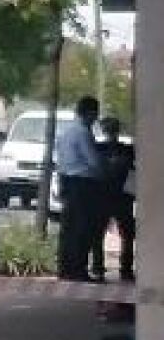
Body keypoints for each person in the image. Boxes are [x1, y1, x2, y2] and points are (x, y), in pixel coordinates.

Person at [55, 96, 107, 282]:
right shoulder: (82, 133)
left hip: (67, 180)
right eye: (95, 113)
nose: (96, 118)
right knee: (82, 228)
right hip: (83, 184)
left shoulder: (66, 131)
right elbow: (93, 161)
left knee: (68, 227)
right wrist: (105, 171)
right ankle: (78, 269)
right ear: (90, 112)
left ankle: (65, 268)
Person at [95, 116, 136, 283]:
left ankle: (98, 267)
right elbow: (133, 169)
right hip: (123, 197)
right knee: (127, 234)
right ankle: (125, 269)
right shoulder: (127, 150)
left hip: (104, 195)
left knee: (98, 233)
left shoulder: (99, 149)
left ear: (104, 130)